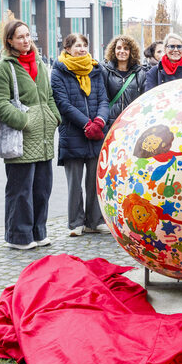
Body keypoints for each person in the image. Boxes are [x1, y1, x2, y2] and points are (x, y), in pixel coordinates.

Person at [0, 20, 61, 249]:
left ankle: (38, 232)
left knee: (42, 188)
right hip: (20, 139)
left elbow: (48, 96)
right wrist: (23, 121)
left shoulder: (39, 62)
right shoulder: (3, 67)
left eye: (28, 35)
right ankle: (19, 236)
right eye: (20, 37)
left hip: (43, 138)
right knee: (20, 191)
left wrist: (54, 117)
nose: (26, 40)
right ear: (9, 40)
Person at [51, 33, 109, 237]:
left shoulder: (95, 69)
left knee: (94, 180)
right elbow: (63, 104)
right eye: (77, 45)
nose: (82, 48)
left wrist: (100, 121)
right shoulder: (59, 71)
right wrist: (86, 124)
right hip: (73, 133)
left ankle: (94, 221)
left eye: (84, 44)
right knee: (74, 183)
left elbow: (103, 98)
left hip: (96, 133)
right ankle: (75, 222)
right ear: (67, 48)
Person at [101, 35, 147, 123]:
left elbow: (143, 99)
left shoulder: (140, 73)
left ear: (131, 52)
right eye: (119, 48)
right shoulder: (105, 71)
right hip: (111, 123)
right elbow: (102, 100)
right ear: (114, 51)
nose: (122, 51)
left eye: (126, 48)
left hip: (132, 122)